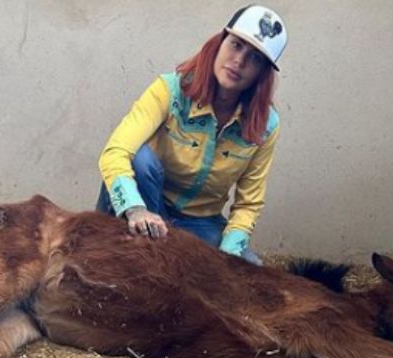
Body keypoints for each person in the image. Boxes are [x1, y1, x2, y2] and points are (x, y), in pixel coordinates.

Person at [96, 5, 287, 265]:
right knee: (140, 159)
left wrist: (228, 257)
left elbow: (247, 205)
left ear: (262, 74)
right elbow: (115, 152)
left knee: (251, 273)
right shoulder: (170, 90)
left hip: (200, 224)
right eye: (236, 45)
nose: (239, 61)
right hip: (148, 203)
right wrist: (136, 209)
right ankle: (132, 244)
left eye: (255, 58)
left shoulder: (266, 126)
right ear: (219, 43)